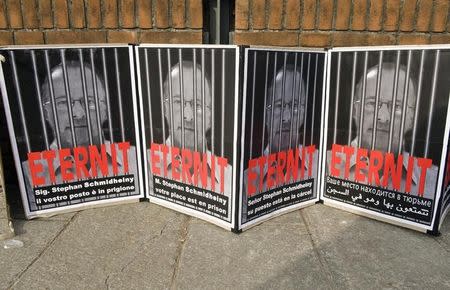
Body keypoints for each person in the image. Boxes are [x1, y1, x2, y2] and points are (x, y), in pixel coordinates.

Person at [22, 60, 138, 211]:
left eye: (90, 101)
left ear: (105, 108)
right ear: (46, 112)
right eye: (63, 103)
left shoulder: (137, 160)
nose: (78, 113)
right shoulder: (29, 173)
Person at [327, 63, 437, 200]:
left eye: (397, 106)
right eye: (372, 103)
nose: (383, 117)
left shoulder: (433, 182)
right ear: (356, 110)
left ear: (412, 119)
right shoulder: (323, 165)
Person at [242, 65, 318, 220]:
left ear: (304, 113)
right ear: (266, 113)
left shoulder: (320, 165)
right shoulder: (245, 180)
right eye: (279, 106)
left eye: (295, 106)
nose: (287, 118)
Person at [149, 60, 232, 199]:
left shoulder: (229, 177)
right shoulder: (145, 166)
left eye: (197, 104)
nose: (188, 116)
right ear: (165, 109)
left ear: (210, 116)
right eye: (178, 102)